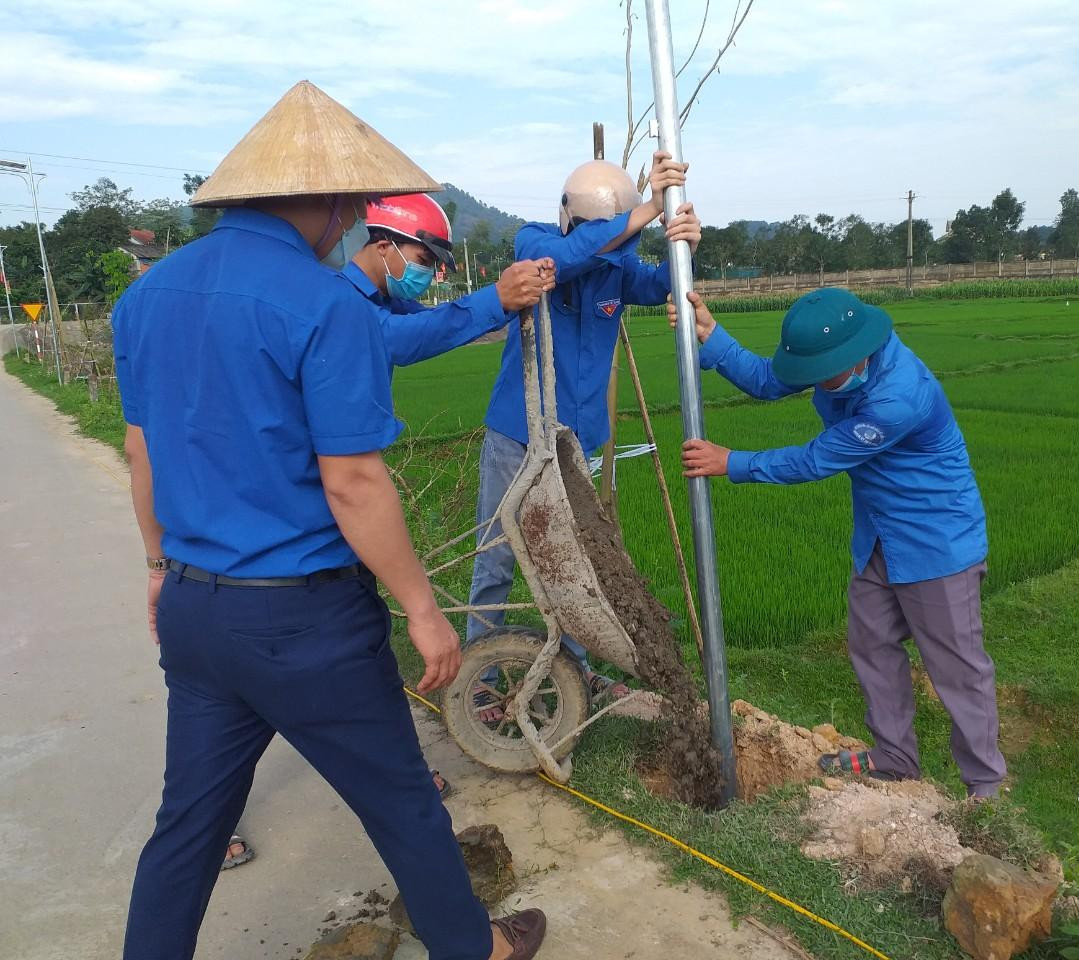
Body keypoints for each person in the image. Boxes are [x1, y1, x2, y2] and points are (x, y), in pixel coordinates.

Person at [113, 80, 546, 960]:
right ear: (331, 198)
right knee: (400, 799)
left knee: (187, 827)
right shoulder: (322, 304)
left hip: (196, 613)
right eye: (349, 201)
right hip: (301, 618)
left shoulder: (146, 297)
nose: (348, 217)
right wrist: (423, 608)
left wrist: (160, 569)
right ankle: (475, 949)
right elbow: (352, 480)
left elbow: (141, 452)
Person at [673, 287, 1007, 800]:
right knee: (872, 643)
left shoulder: (898, 397)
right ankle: (894, 758)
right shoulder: (840, 365)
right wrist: (712, 338)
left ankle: (985, 788)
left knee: (958, 669)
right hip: (879, 535)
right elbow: (769, 380)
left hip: (935, 542)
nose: (815, 382)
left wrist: (731, 462)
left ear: (856, 355)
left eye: (822, 372)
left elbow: (817, 458)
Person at [466, 150, 701, 719]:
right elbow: (560, 258)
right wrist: (643, 209)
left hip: (575, 443)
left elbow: (659, 286)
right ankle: (481, 677)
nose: (609, 240)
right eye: (600, 228)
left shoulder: (619, 268)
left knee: (573, 562)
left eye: (613, 229)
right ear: (569, 215)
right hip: (517, 434)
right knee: (496, 557)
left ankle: (576, 669)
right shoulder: (535, 241)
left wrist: (683, 244)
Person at [342, 192, 556, 369]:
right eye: (424, 260)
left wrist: (514, 296)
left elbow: (436, 320)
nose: (429, 273)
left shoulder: (384, 298)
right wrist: (498, 297)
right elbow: (400, 338)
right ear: (383, 247)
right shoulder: (341, 294)